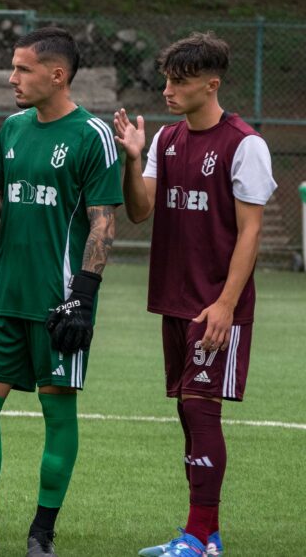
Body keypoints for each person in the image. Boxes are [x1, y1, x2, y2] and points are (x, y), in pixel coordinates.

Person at [0, 28, 122, 557]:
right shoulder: (12, 128)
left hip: (60, 303)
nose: (12, 78)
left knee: (58, 413)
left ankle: (42, 534)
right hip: (3, 299)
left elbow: (104, 223)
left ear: (56, 75)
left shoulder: (91, 135)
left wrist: (84, 294)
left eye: (22, 69)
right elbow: (0, 195)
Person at [115, 33, 275, 557]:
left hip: (216, 305)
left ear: (212, 84)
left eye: (179, 82)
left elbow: (250, 232)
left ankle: (196, 534)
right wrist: (132, 160)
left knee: (200, 407)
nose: (168, 90)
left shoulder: (244, 144)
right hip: (174, 299)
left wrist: (226, 303)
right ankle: (207, 534)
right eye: (166, 80)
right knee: (188, 412)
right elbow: (141, 211)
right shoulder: (166, 140)